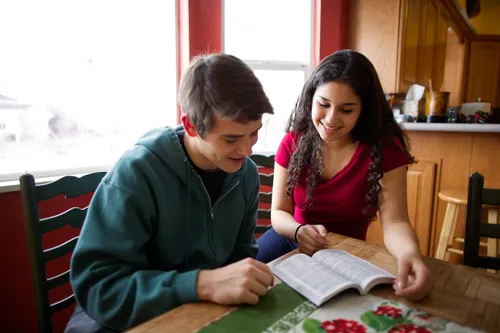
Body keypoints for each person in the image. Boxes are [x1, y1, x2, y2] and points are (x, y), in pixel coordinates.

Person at [64, 53, 275, 333]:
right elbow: (99, 289)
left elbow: (239, 257)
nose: (248, 150)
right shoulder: (137, 173)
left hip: (197, 315)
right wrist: (201, 284)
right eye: (231, 138)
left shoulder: (245, 174)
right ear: (190, 125)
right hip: (121, 323)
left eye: (254, 133)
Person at [256, 50, 431, 301]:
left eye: (346, 110)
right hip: (289, 238)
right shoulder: (293, 142)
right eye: (323, 104)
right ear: (310, 98)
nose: (330, 119)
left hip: (344, 254)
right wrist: (299, 231)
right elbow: (278, 213)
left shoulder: (384, 150)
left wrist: (410, 255)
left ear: (364, 110)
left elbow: (396, 222)